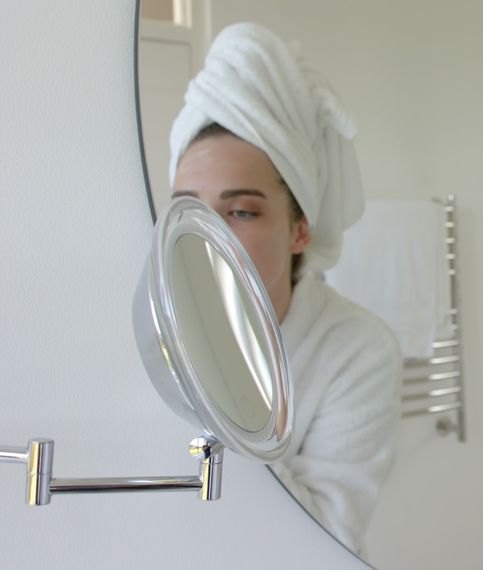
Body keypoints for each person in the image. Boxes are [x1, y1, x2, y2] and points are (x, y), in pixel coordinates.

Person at [168, 23, 401, 557]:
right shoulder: (154, 331)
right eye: (190, 209)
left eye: (242, 211)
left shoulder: (355, 350)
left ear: (300, 229)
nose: (210, 235)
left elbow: (322, 539)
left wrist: (222, 376)